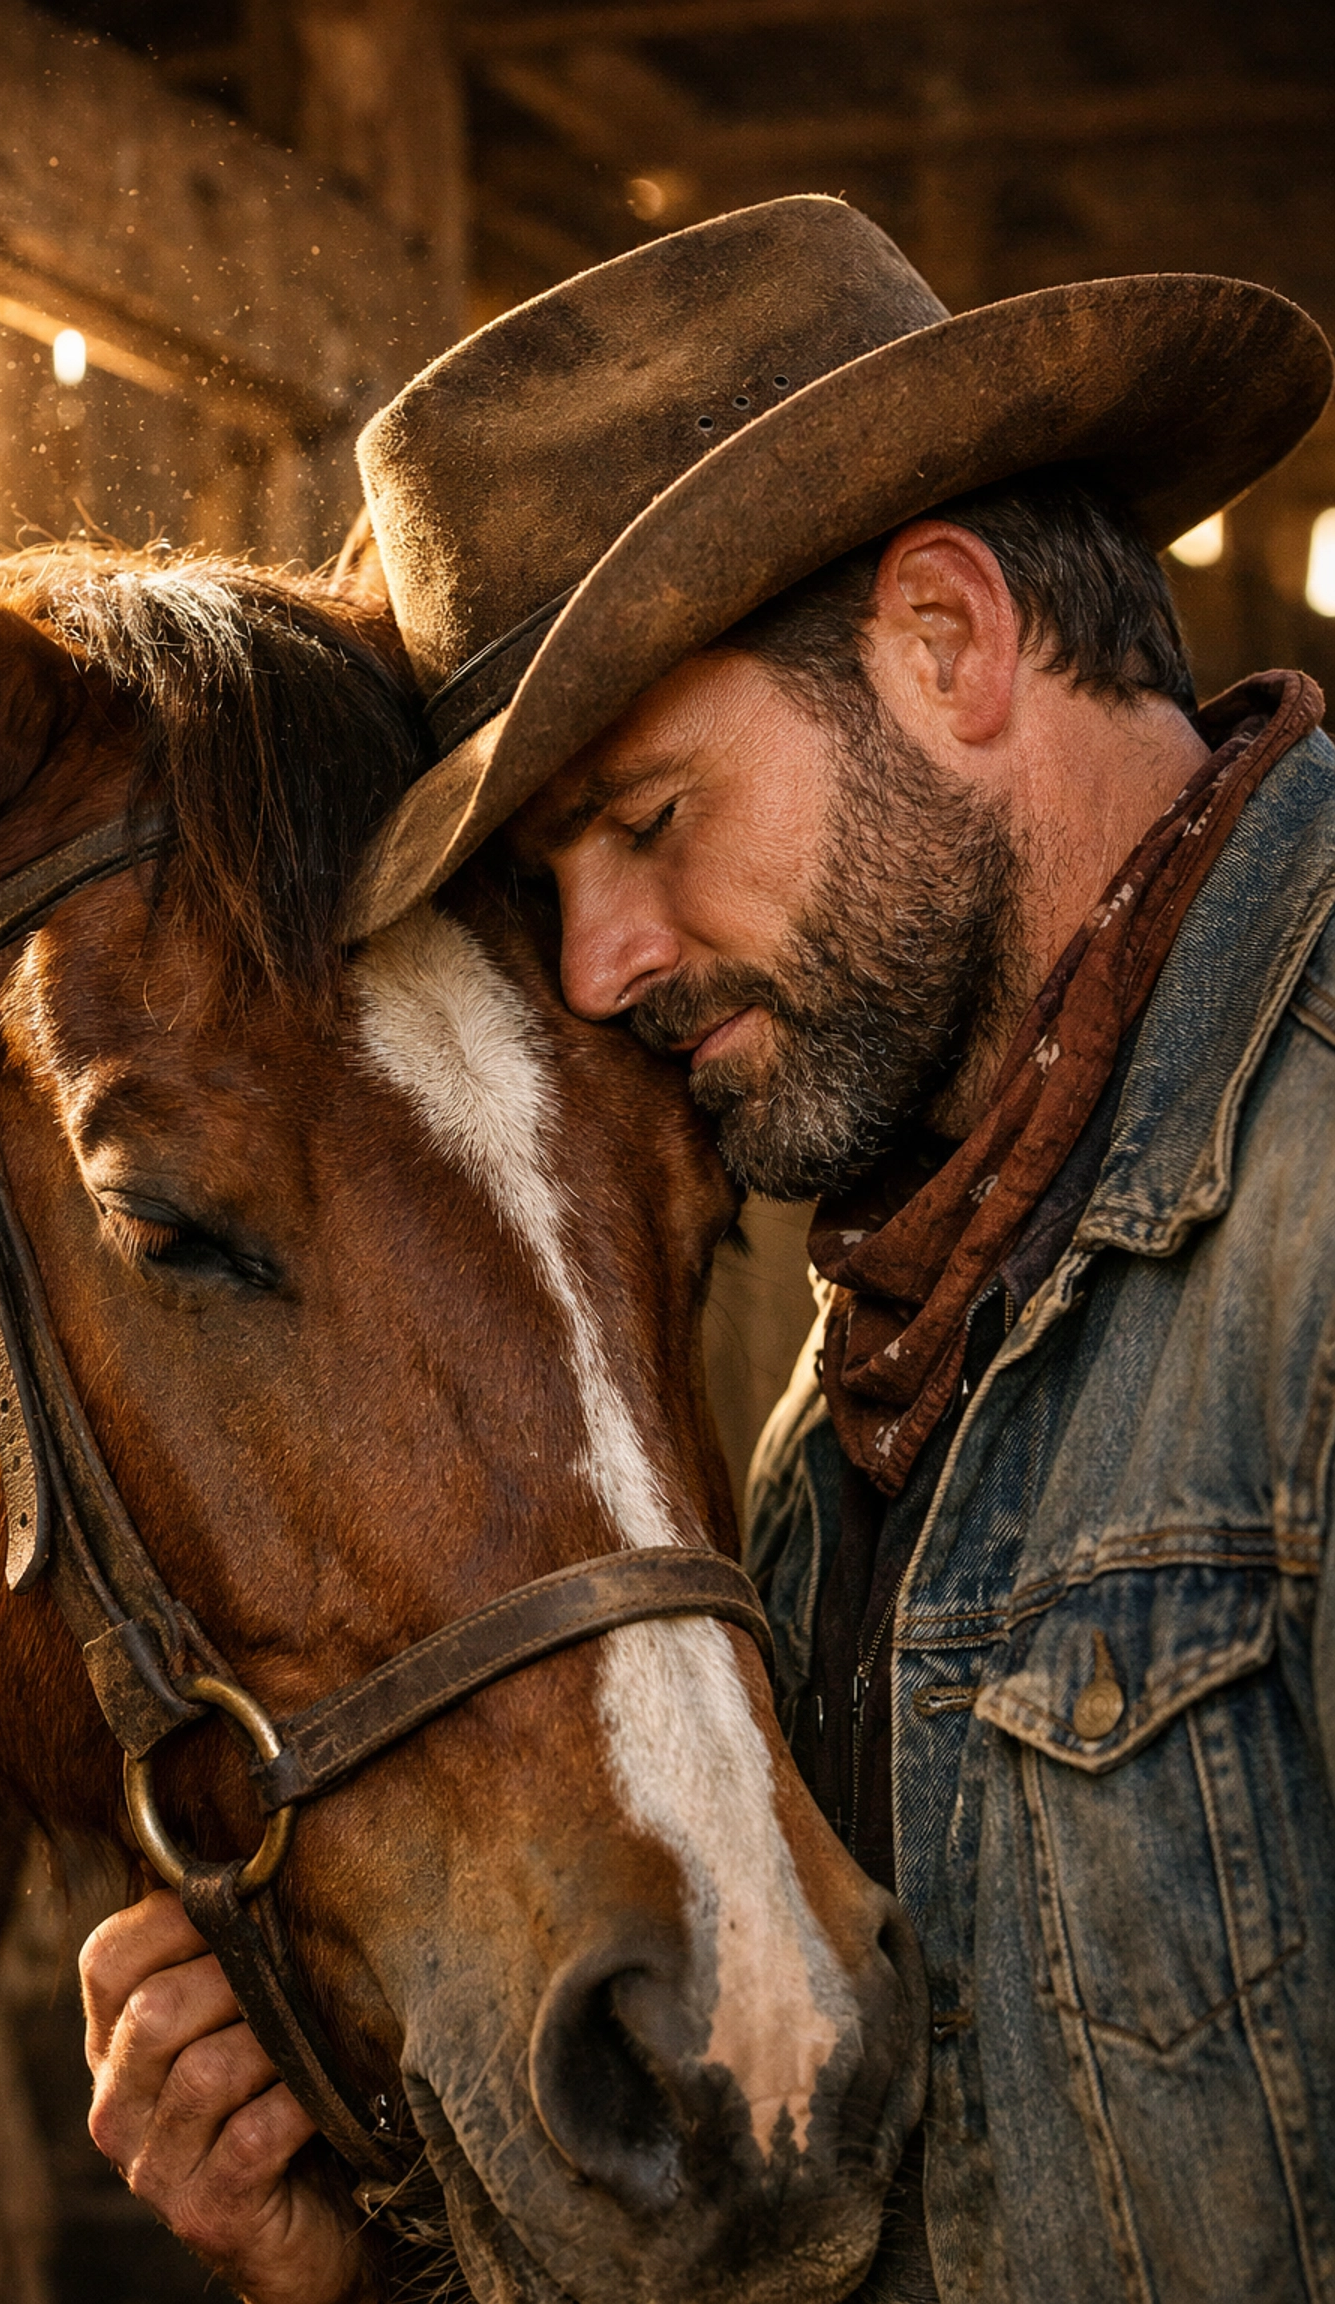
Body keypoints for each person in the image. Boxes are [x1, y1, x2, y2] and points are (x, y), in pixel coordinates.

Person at [80, 197, 1335, 2300]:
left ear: (948, 640)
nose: (600, 967)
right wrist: (374, 2252)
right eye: (558, 880)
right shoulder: (865, 1374)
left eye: (650, 823)